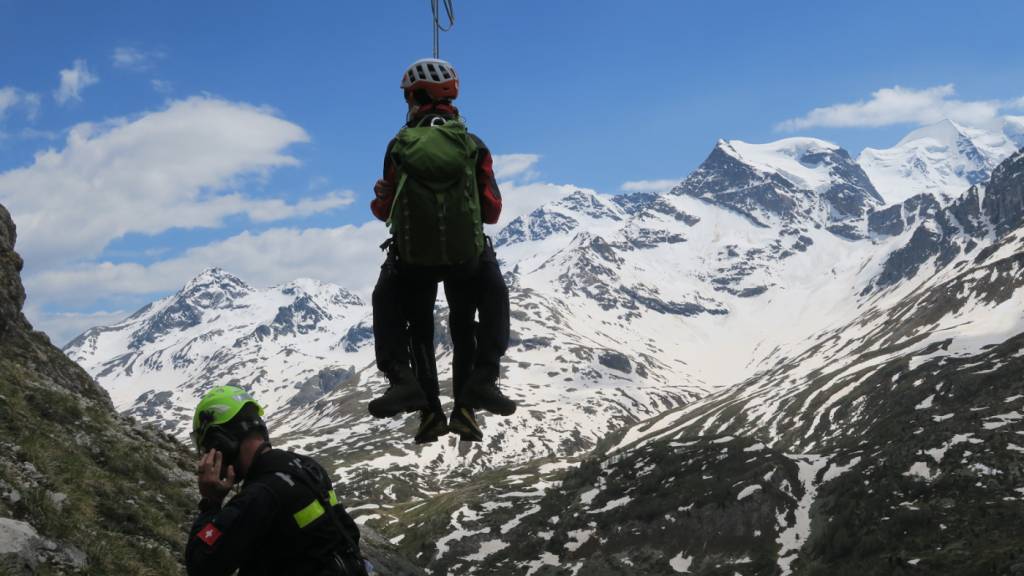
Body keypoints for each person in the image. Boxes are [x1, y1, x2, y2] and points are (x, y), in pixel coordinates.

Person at [367, 58, 515, 444]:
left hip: (413, 261)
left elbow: (385, 211)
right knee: (470, 319)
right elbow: (493, 210)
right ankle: (475, 394)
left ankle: (417, 397)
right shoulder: (473, 145)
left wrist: (381, 199)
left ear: (416, 96)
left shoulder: (398, 146)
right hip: (466, 259)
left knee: (405, 316)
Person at [186, 385, 369, 576]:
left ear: (221, 442)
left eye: (208, 447)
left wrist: (211, 502)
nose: (208, 456)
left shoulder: (260, 495)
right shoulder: (307, 466)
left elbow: (201, 566)